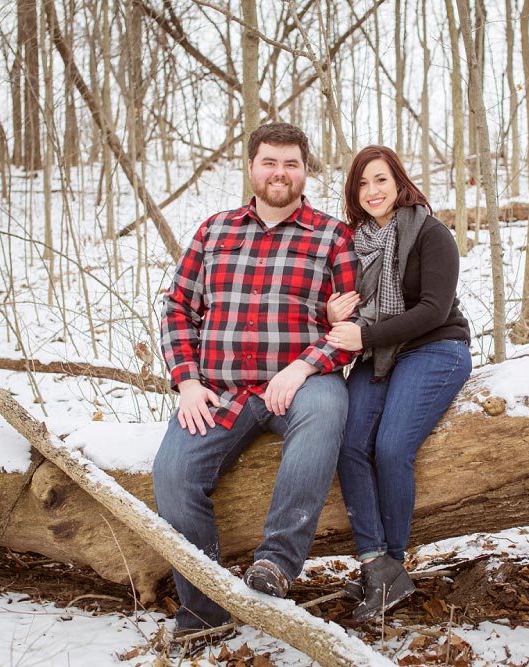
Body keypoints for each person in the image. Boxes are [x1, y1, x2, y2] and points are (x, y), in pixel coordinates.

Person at [152, 122, 357, 634]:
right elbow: (178, 308)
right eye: (270, 162)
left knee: (328, 408)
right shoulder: (214, 230)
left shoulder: (333, 237)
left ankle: (276, 564)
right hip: (218, 390)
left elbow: (355, 326)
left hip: (302, 382)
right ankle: (205, 608)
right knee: (172, 475)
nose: (280, 173)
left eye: (291, 163)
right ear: (251, 167)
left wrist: (306, 364)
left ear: (306, 171)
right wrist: (187, 381)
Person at [325, 145, 471, 623]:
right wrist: (330, 314)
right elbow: (333, 299)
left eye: (381, 180)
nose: (372, 191)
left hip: (435, 348)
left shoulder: (431, 233)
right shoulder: (351, 242)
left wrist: (364, 334)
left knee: (390, 448)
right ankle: (375, 563)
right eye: (362, 184)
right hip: (378, 354)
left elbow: (432, 309)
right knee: (348, 444)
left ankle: (396, 564)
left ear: (399, 182)